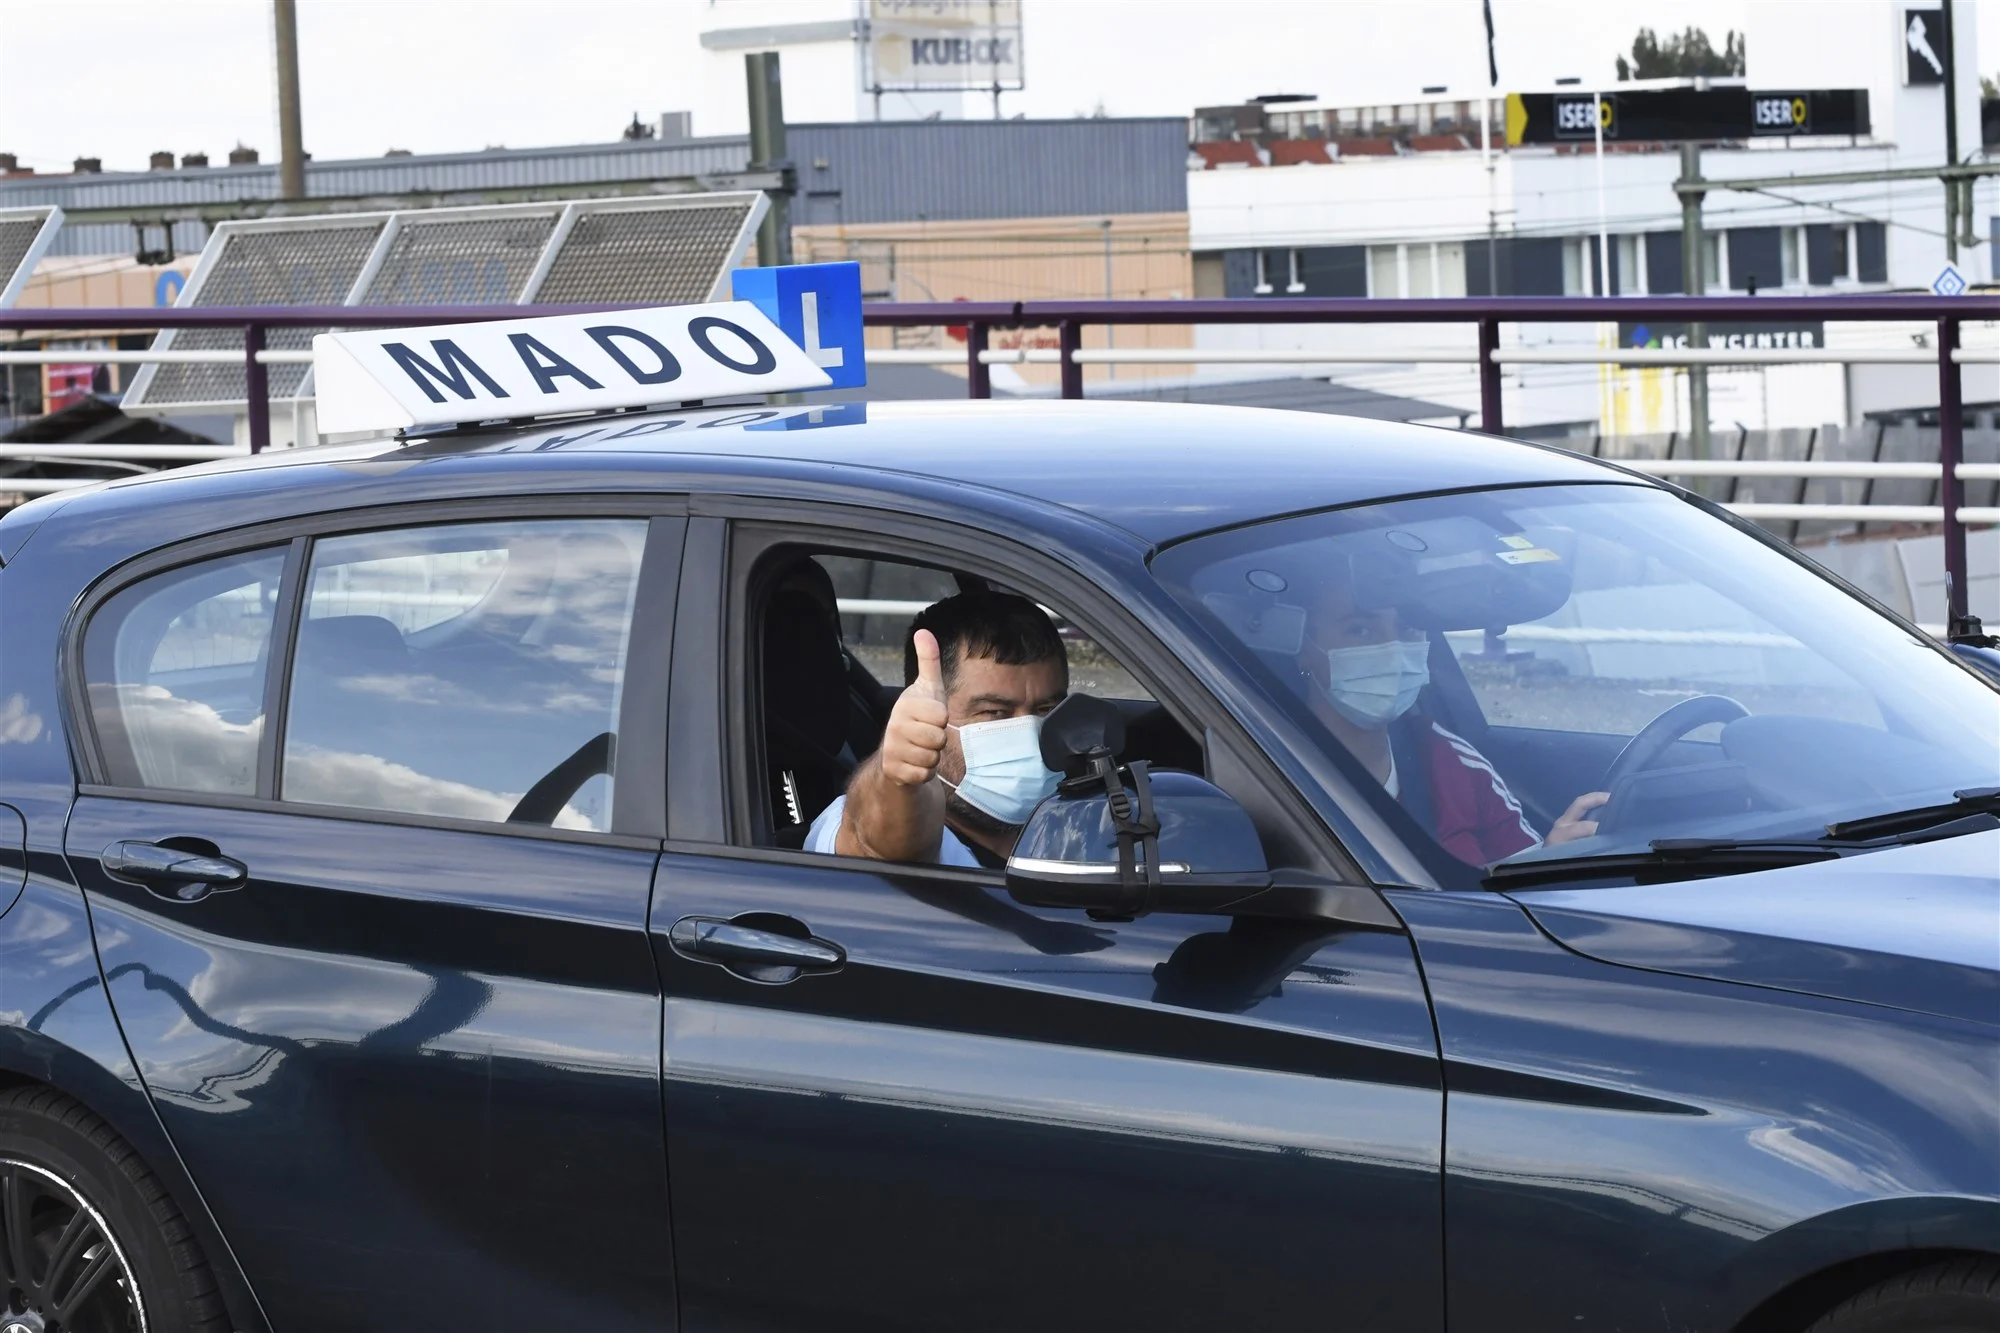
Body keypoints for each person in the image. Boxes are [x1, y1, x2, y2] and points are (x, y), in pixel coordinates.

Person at [1295, 568, 1607, 865]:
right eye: (1360, 629)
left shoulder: (1451, 761)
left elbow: (1526, 879)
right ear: (1302, 646)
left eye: (1407, 628)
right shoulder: (1265, 763)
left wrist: (1552, 856)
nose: (1392, 648)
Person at [807, 592, 1068, 867]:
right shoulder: (853, 823)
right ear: (929, 713)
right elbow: (876, 840)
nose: (1027, 734)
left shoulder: (1077, 819)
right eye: (994, 712)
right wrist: (898, 781)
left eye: (1045, 709)